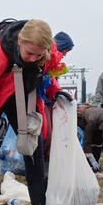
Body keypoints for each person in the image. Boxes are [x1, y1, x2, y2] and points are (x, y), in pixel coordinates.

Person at [0, 19, 73, 205]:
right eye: (28, 53)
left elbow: (46, 72)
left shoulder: (48, 53)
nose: (33, 59)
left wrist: (54, 90)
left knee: (33, 147)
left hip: (21, 95)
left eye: (38, 55)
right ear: (20, 42)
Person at [41, 31, 75, 163]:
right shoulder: (46, 58)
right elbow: (45, 78)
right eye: (65, 50)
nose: (65, 54)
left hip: (48, 100)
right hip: (41, 100)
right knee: (46, 134)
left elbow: (49, 78)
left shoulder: (53, 60)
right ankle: (42, 164)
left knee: (52, 134)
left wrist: (57, 91)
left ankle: (49, 163)